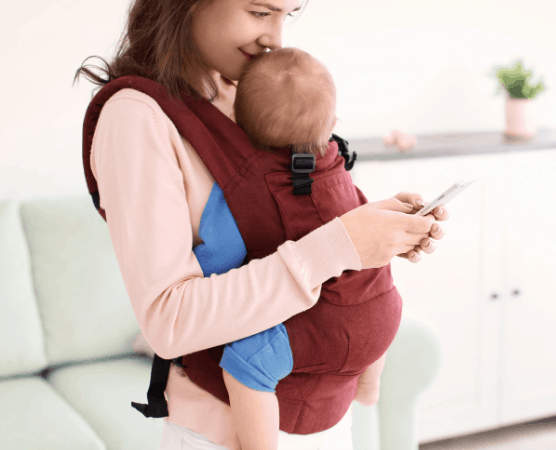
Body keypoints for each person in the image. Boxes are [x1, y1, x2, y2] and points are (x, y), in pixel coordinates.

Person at [75, 0, 450, 449]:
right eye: (259, 12)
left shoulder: (253, 90)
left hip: (327, 418)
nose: (275, 37)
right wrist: (342, 246)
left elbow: (298, 222)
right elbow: (168, 322)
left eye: (286, 15)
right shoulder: (138, 117)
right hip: (226, 432)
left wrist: (378, 233)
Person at [213, 46, 404, 450]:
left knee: (245, 365)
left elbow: (219, 255)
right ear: (332, 124)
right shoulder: (340, 173)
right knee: (373, 298)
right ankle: (369, 387)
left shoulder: (244, 188)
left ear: (239, 125)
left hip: (325, 329)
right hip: (384, 314)